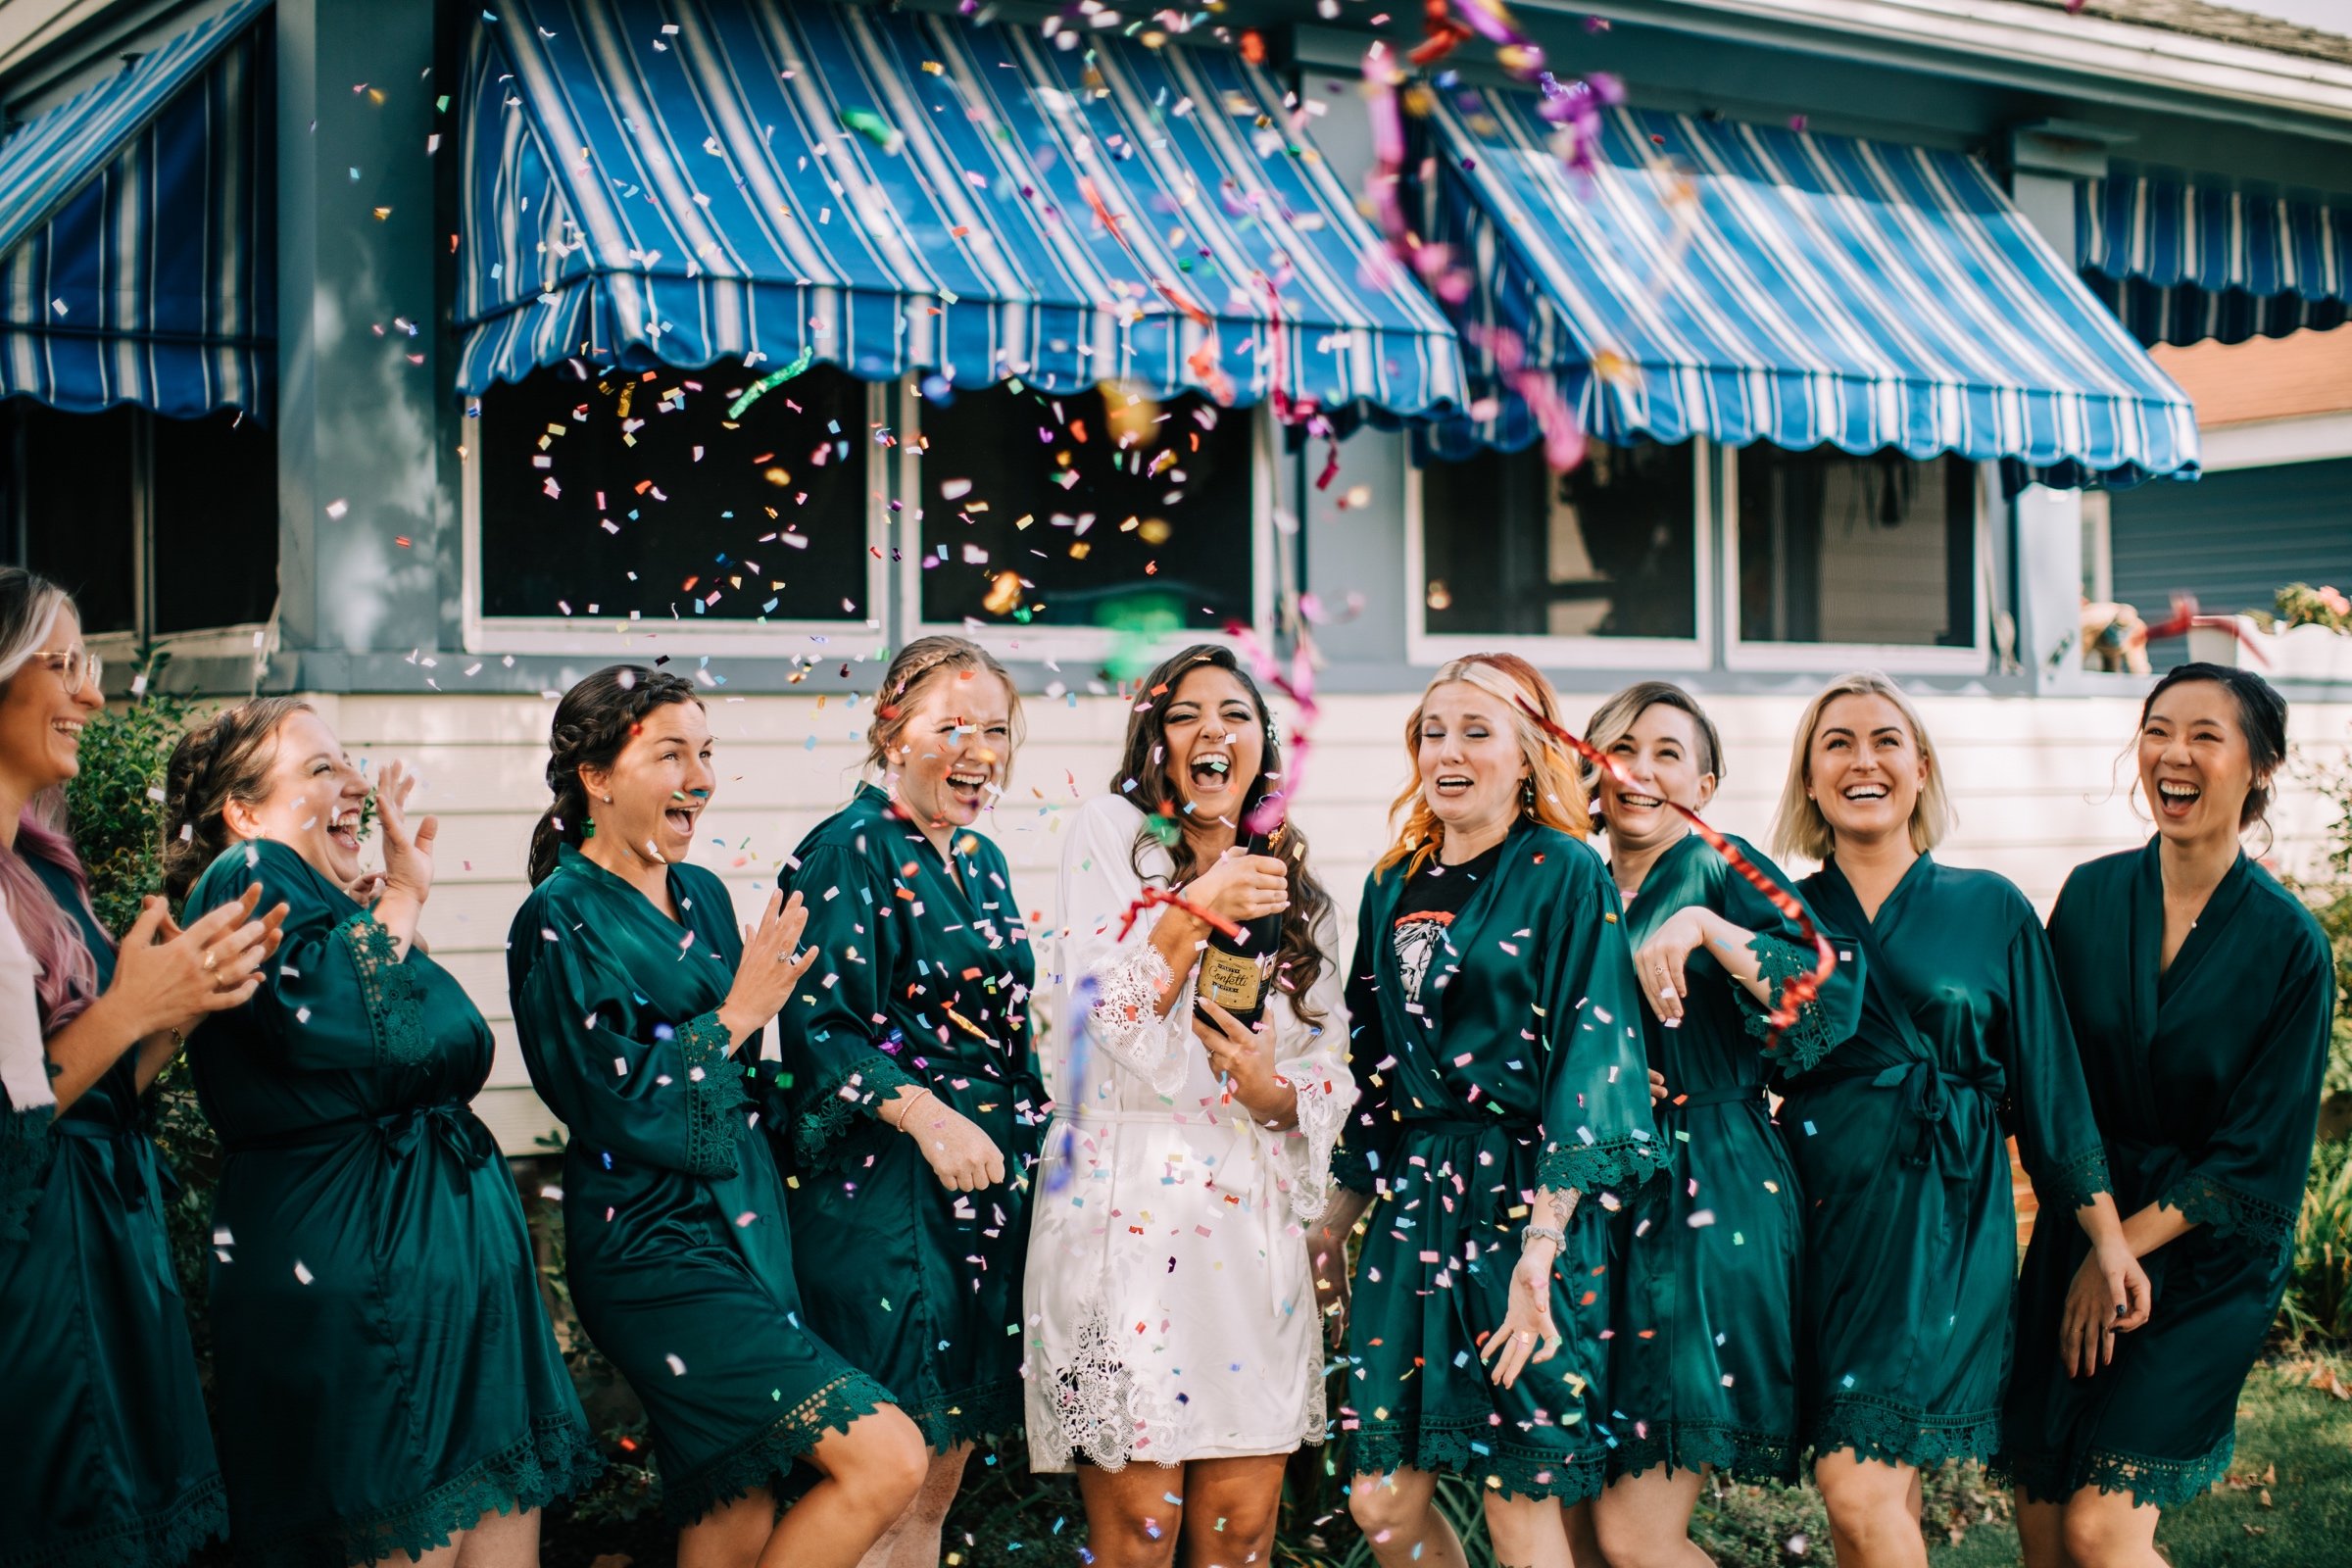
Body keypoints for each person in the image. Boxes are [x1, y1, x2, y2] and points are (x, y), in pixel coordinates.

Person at [507, 665, 927, 1568]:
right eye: (671, 754)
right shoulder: (557, 918)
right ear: (597, 776)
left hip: (746, 1227)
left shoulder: (703, 895)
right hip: (651, 1250)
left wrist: (856, 1101)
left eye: (707, 754)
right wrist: (740, 1012)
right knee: (887, 1458)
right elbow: (608, 1099)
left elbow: (745, 1079)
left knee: (733, 1516)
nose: (699, 777)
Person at [166, 698, 599, 1567]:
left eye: (348, 761)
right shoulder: (244, 870)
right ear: (244, 812)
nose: (357, 783)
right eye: (320, 769)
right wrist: (399, 896)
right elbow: (324, 1017)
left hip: (457, 1273)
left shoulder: (348, 912)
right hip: (361, 1269)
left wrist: (386, 912)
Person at [1768, 672, 2147, 1568]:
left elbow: (2052, 1091)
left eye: (1886, 740)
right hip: (1818, 1220)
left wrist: (2106, 1237)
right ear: (1811, 781)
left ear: (1922, 767)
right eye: (1838, 744)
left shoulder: (1993, 909)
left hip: (1943, 1221)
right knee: (1867, 1499)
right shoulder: (1778, 914)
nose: (1864, 760)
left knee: (1856, 1484)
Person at [1322, 652, 1660, 1568]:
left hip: (1529, 1208)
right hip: (1416, 1211)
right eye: (1435, 732)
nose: (1450, 751)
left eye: (1478, 731)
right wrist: (1331, 1227)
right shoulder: (1390, 882)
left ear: (1527, 757)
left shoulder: (1564, 871)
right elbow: (1375, 1069)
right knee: (1381, 1502)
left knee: (1521, 1502)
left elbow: (1592, 1066)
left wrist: (1541, 1247)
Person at [1028, 643, 1357, 1568]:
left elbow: (1330, 1064)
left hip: (1245, 1221)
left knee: (1241, 1535)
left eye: (1235, 715)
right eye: (1184, 716)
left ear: (1261, 747)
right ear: (1155, 745)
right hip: (1117, 1206)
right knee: (1137, 1536)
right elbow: (1103, 1018)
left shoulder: (1295, 887)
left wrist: (1277, 1093)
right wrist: (1199, 901)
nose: (1211, 731)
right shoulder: (1108, 834)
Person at [2004, 665, 2333, 1568]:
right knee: (2042, 1527)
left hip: (2203, 1258)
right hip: (2088, 1220)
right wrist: (2097, 1243)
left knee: (2099, 1533)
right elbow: (2045, 1076)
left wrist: (2120, 1253)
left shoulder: (2290, 948)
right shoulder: (2090, 897)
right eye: (2156, 730)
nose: (2172, 755)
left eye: (2204, 735)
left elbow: (2252, 1161)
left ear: (2259, 766)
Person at [0, 566, 279, 1568]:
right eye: (66, 663)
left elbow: (89, 1081)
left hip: (106, 1240)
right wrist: (127, 1007)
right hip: (31, 1267)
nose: (92, 694)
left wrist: (181, 1001)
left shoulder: (41, 870)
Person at [769, 637, 1047, 1568]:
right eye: (952, 726)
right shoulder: (846, 850)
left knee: (936, 1491)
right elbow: (822, 1033)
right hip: (883, 1198)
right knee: (882, 1487)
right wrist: (927, 1115)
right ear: (892, 728)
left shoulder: (985, 857)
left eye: (997, 730)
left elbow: (1010, 1032)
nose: (980, 750)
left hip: (980, 1197)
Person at [1582, 682, 1863, 1568]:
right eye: (1623, 748)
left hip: (1709, 1191)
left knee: (1635, 1534)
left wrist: (1708, 928)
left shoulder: (1718, 863)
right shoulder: (1569, 878)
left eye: (1669, 753)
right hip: (1594, 1204)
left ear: (1704, 783)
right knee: (1586, 1517)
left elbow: (1830, 993)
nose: (1641, 770)